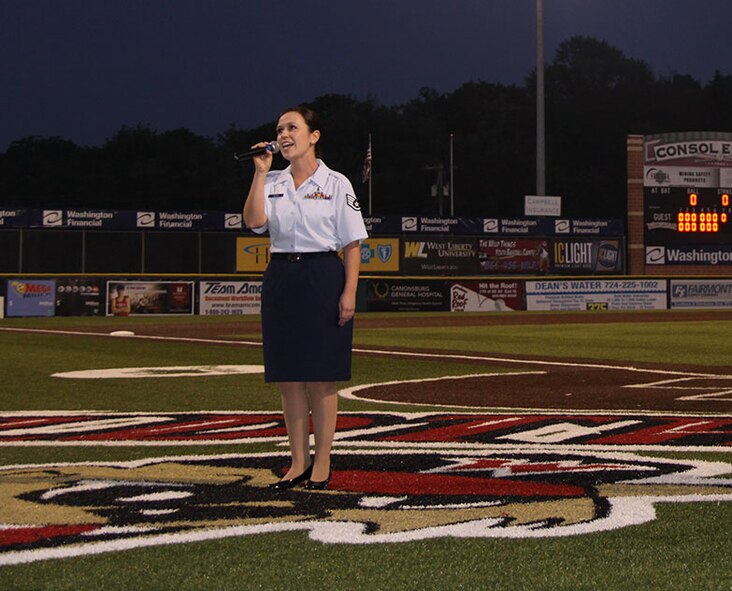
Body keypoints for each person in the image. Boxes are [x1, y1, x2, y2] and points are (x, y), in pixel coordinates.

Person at [243, 106, 368, 490]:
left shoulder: (336, 183)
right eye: (279, 129)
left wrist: (348, 292)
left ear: (313, 136)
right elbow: (253, 222)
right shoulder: (272, 180)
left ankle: (322, 463)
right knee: (290, 378)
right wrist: (259, 172)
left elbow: (351, 244)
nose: (283, 134)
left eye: (292, 127)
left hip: (322, 276)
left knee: (321, 377)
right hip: (282, 276)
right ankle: (297, 463)